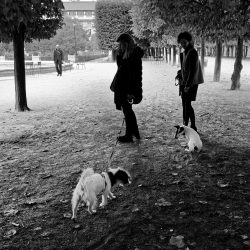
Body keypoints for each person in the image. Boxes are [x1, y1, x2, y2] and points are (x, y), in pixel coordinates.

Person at [110, 33, 144, 143]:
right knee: (127, 110)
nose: (120, 46)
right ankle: (135, 132)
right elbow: (120, 69)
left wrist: (130, 91)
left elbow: (133, 75)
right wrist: (119, 55)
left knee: (127, 110)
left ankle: (129, 135)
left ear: (126, 44)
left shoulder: (133, 55)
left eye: (121, 44)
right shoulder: (125, 55)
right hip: (123, 87)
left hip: (128, 88)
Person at [177, 31, 204, 132]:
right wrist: (180, 73)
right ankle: (188, 126)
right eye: (181, 42)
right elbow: (185, 68)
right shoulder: (185, 52)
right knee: (185, 104)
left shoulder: (192, 52)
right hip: (185, 82)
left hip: (191, 83)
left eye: (184, 42)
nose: (183, 44)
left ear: (189, 41)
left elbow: (193, 70)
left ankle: (191, 126)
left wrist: (188, 85)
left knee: (187, 104)